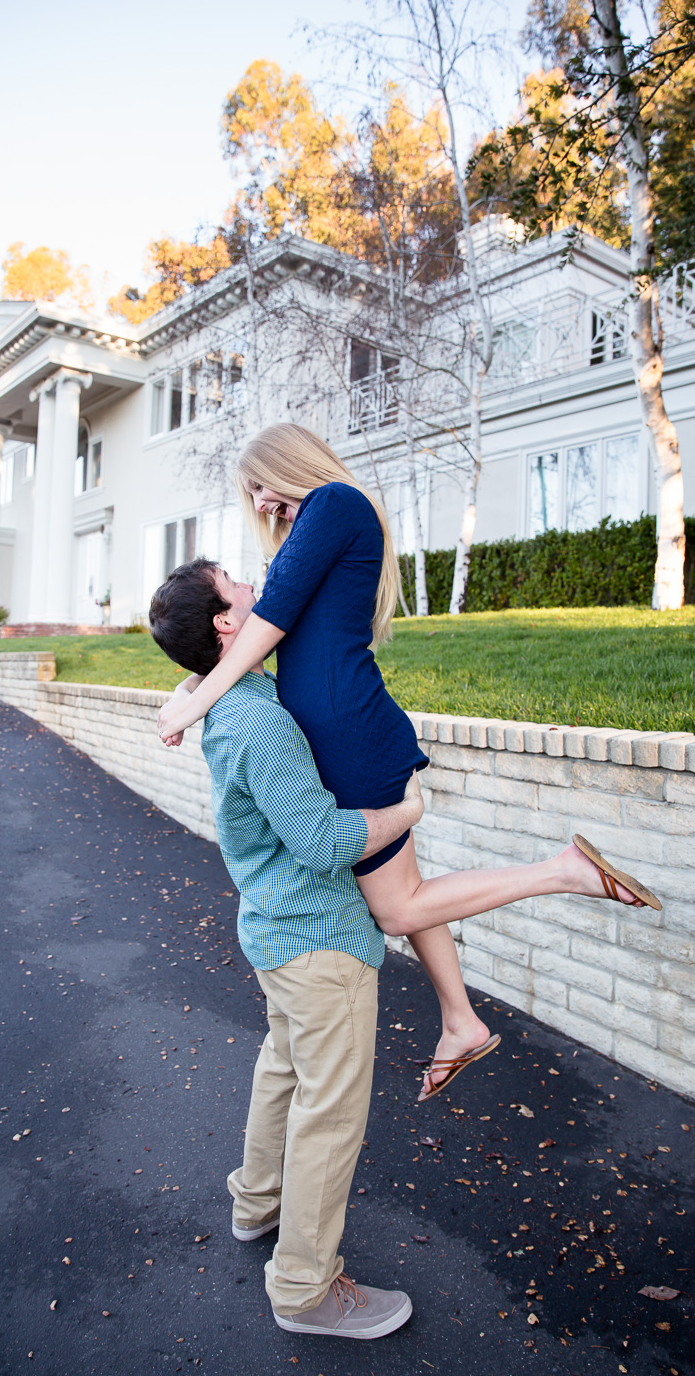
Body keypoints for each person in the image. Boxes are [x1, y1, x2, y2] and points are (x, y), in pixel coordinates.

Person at [157, 425, 661, 1099]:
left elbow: (265, 629)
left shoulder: (334, 503)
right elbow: (239, 636)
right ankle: (459, 1020)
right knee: (406, 896)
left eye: (261, 485)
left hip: (349, 733)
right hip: (338, 730)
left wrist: (192, 707)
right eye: (252, 495)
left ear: (288, 464)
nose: (262, 503)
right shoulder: (319, 520)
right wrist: (187, 688)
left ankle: (564, 872)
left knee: (398, 908)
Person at [149, 556, 424, 1339]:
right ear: (227, 625)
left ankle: (256, 1203)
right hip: (316, 944)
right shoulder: (258, 721)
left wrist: (181, 699)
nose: (255, 583)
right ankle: (304, 1289)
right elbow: (320, 838)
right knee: (329, 1114)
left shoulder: (227, 698)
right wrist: (408, 810)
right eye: (238, 583)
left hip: (275, 933)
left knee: (285, 1074)